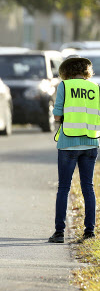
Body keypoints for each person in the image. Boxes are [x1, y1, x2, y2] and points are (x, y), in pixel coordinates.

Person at [49, 56, 100, 244]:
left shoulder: (64, 86)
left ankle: (59, 232)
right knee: (88, 188)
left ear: (66, 71)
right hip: (91, 142)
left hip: (68, 143)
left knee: (64, 187)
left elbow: (56, 116)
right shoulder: (95, 88)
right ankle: (89, 231)